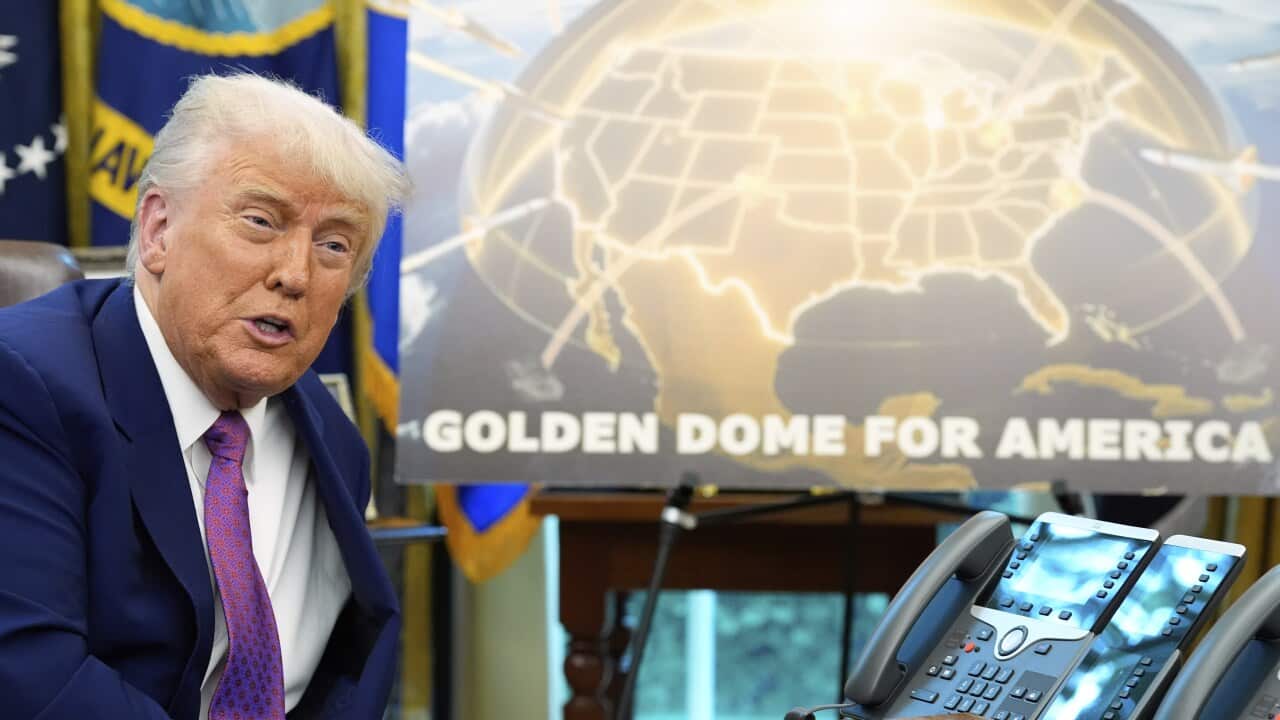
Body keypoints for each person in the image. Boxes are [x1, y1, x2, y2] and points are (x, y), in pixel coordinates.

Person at [0, 73, 408, 719]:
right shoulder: (23, 387)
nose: (295, 274)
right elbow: (32, 680)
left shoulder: (332, 440)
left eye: (334, 245)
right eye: (260, 222)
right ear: (159, 229)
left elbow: (344, 674)